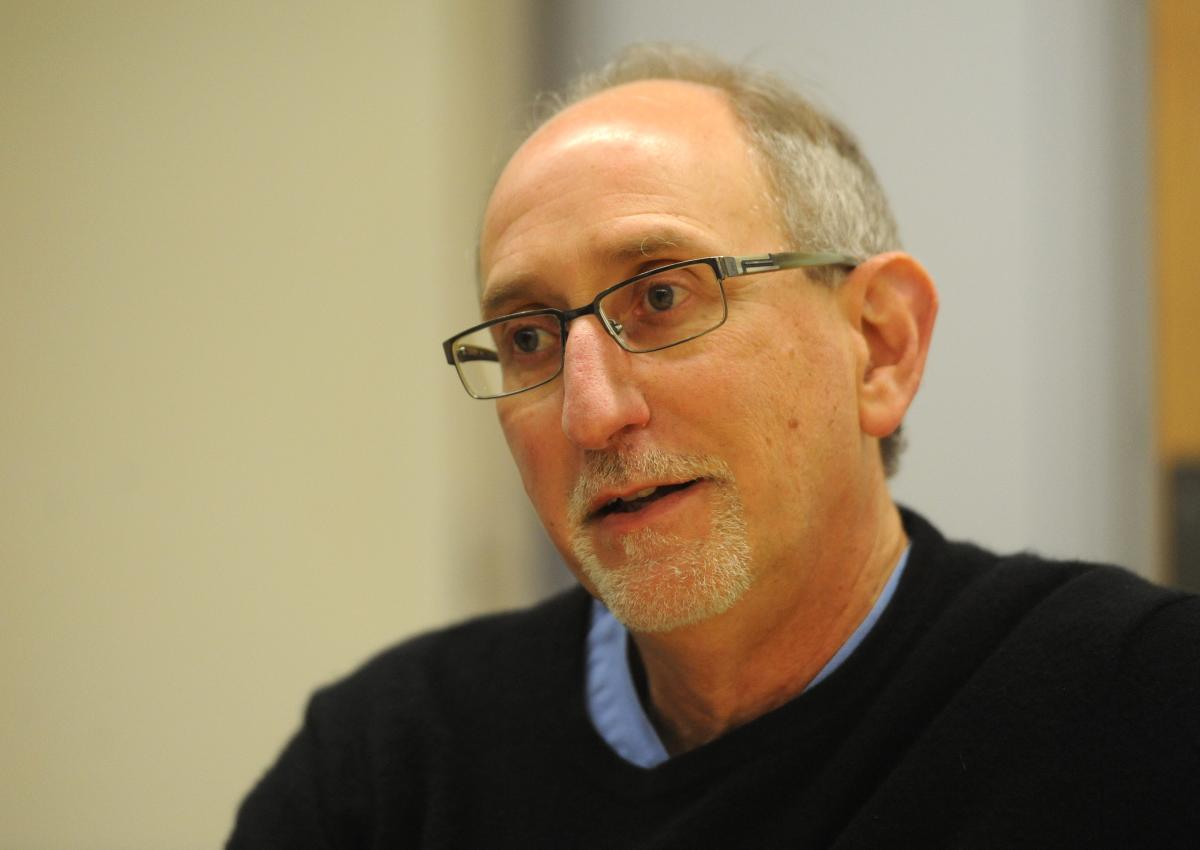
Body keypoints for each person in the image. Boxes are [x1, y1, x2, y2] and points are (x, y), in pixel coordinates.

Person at [228, 44, 1199, 848]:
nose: (591, 415)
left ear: (879, 346)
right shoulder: (386, 768)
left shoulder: (1142, 706)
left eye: (661, 296)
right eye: (528, 339)